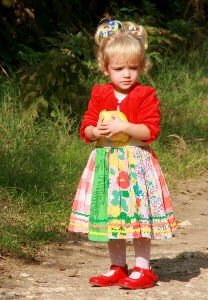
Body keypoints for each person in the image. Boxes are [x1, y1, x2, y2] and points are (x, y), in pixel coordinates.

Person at [67, 20, 177, 289]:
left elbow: (150, 131)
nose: (126, 74)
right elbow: (86, 128)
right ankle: (118, 266)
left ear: (142, 67)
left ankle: (143, 268)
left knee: (136, 217)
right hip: (106, 162)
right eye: (119, 68)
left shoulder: (145, 94)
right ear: (106, 68)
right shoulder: (100, 93)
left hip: (135, 164)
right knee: (112, 217)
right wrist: (97, 130)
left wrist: (124, 126)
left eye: (133, 68)